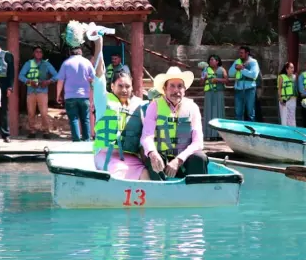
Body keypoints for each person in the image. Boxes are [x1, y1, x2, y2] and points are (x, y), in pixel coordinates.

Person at [90, 35, 150, 180]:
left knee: (146, 175)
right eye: (120, 86)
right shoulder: (103, 101)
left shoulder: (140, 105)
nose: (124, 90)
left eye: (127, 86)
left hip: (132, 157)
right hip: (106, 155)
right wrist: (99, 44)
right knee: (118, 173)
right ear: (112, 86)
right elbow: (99, 75)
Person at [141, 66, 208, 180]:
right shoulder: (154, 106)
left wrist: (179, 160)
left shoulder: (193, 107)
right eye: (172, 86)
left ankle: (197, 192)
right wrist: (153, 153)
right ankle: (160, 193)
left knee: (200, 158)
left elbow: (198, 142)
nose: (176, 90)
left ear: (184, 89)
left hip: (184, 157)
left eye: (180, 86)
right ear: (164, 89)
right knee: (150, 156)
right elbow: (146, 136)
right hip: (161, 155)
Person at [55, 46, 95, 142]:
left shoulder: (66, 63)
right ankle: (86, 140)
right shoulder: (87, 62)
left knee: (74, 119)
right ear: (81, 53)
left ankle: (76, 141)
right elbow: (94, 78)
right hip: (84, 96)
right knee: (85, 119)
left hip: (70, 96)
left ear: (70, 53)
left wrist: (58, 95)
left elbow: (60, 80)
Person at [18, 46, 58, 139]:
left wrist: (48, 81)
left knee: (44, 113)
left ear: (42, 54)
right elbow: (20, 76)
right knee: (31, 112)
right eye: (37, 52)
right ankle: (32, 130)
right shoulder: (28, 63)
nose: (39, 53)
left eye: (40, 52)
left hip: (43, 92)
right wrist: (29, 82)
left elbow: (57, 75)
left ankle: (46, 131)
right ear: (33, 53)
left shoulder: (47, 64)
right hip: (31, 92)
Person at [228, 46, 260, 122]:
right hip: (238, 89)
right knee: (238, 112)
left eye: (242, 53)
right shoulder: (237, 61)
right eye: (239, 53)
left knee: (250, 112)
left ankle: (252, 131)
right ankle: (239, 131)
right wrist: (236, 68)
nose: (240, 54)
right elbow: (230, 73)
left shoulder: (253, 62)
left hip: (250, 89)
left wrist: (242, 69)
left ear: (247, 53)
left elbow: (254, 75)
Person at [201, 55, 228, 140]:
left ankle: (219, 134)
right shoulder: (205, 70)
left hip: (219, 93)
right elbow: (201, 82)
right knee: (209, 112)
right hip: (209, 93)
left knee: (219, 111)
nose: (210, 61)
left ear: (217, 61)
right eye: (210, 60)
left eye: (213, 60)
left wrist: (218, 80)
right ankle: (209, 134)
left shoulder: (222, 69)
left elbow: (227, 80)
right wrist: (204, 78)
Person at [277, 62, 297, 127]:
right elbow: (279, 88)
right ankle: (284, 132)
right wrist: (280, 98)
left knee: (292, 117)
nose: (293, 69)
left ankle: (293, 131)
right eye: (291, 68)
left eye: (293, 68)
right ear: (286, 69)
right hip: (284, 99)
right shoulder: (281, 77)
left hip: (292, 99)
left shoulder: (294, 77)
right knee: (284, 117)